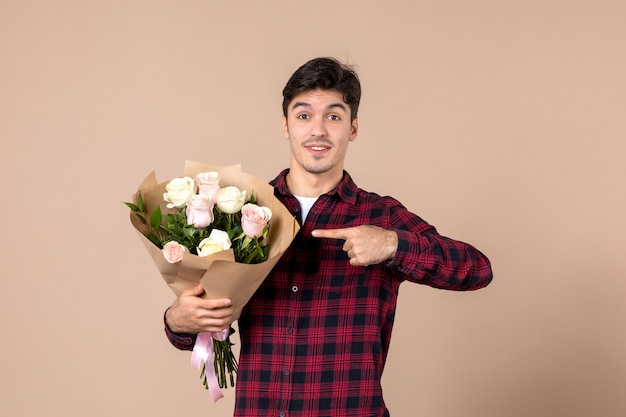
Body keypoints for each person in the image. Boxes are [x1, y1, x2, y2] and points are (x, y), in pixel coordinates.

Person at [164, 57, 493, 417]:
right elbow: (201, 319)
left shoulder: (381, 216)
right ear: (286, 125)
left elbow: (477, 270)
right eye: (304, 115)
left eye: (333, 116)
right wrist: (177, 321)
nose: (318, 130)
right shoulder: (239, 211)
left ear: (353, 128)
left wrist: (393, 244)